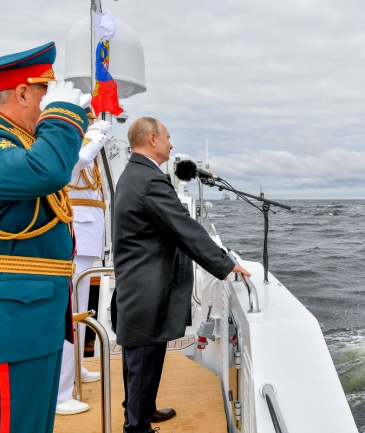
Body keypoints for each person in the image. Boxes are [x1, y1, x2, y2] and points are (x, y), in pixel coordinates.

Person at [113, 117, 250, 433]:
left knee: (145, 354)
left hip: (138, 280)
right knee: (142, 357)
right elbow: (184, 228)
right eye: (167, 138)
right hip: (146, 284)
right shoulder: (149, 180)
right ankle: (136, 427)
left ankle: (143, 410)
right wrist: (224, 264)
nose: (171, 144)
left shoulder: (133, 173)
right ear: (152, 139)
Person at [0, 42, 89, 433]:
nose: (48, 105)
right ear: (22, 94)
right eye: (45, 94)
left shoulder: (21, 144)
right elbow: (47, 171)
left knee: (34, 422)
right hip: (13, 322)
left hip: (36, 316)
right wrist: (63, 115)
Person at [55, 116, 113, 415]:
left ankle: (76, 370)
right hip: (77, 236)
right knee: (71, 317)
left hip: (88, 239)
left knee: (79, 315)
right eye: (86, 121)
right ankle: (61, 393)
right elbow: (75, 163)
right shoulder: (71, 147)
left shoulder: (85, 150)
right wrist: (96, 135)